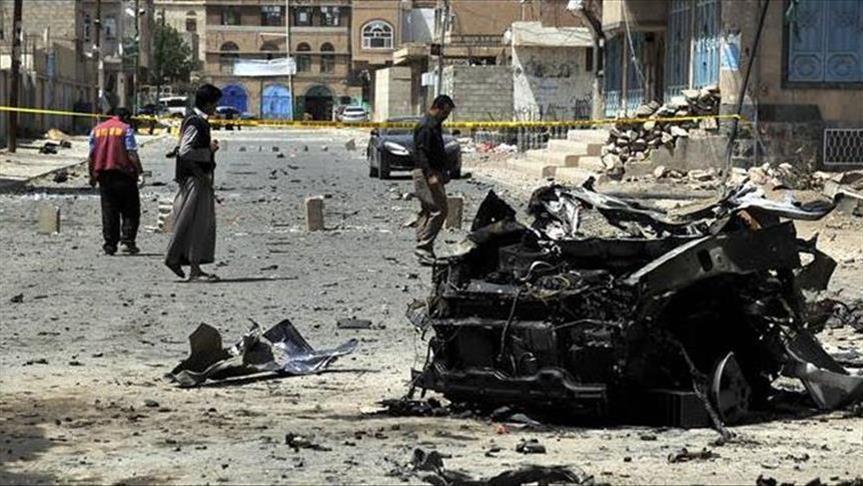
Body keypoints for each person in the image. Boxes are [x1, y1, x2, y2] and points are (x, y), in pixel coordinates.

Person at [164, 84, 222, 281]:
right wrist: (208, 151)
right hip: (194, 178)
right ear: (207, 103)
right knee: (194, 222)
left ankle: (189, 263)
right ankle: (181, 261)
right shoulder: (195, 122)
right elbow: (185, 150)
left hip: (197, 178)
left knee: (195, 222)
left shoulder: (196, 120)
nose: (216, 108)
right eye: (214, 104)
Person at [88, 107, 143, 256]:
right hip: (124, 175)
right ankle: (127, 242)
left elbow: (91, 156)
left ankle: (110, 245)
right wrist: (140, 172)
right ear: (125, 117)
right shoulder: (126, 129)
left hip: (104, 176)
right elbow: (131, 153)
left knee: (109, 211)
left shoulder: (97, 130)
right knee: (130, 210)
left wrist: (92, 176)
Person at [412, 95, 455, 265]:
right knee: (439, 210)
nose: (446, 116)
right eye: (445, 112)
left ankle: (423, 247)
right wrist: (430, 175)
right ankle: (423, 247)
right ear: (437, 108)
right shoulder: (426, 126)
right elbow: (421, 153)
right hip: (426, 174)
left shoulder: (434, 125)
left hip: (431, 173)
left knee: (428, 210)